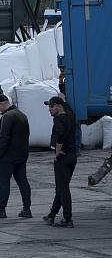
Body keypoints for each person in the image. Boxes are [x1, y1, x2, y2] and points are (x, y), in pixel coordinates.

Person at [0, 93, 31, 219]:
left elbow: (4, 138)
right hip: (22, 155)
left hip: (8, 156)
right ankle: (27, 209)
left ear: (1, 104)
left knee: (4, 182)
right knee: (23, 182)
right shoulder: (22, 115)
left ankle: (1, 209)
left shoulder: (7, 117)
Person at [44, 96, 77, 227]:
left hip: (62, 158)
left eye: (51, 106)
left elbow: (61, 133)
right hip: (72, 157)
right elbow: (69, 109)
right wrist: (64, 99)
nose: (49, 109)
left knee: (63, 190)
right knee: (61, 188)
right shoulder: (70, 115)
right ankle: (51, 215)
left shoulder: (58, 119)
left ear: (58, 106)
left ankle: (68, 219)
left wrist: (58, 149)